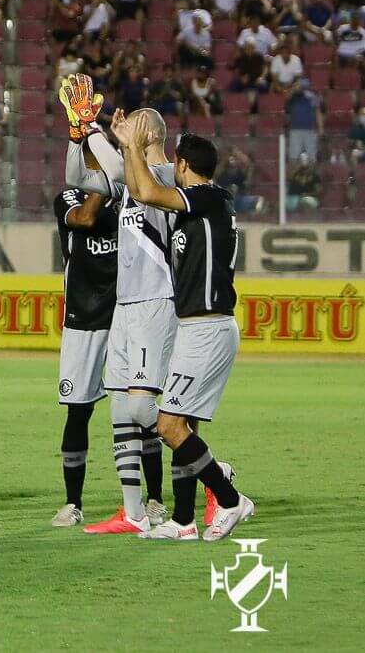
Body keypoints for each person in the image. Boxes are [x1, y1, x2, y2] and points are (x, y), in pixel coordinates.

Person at [111, 120, 252, 541]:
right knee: (182, 426)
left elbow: (148, 192)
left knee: (170, 426)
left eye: (174, 161)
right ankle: (184, 521)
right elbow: (140, 191)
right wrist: (129, 148)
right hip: (199, 327)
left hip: (206, 330)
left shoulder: (205, 198)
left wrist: (134, 145)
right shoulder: (207, 202)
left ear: (183, 164)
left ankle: (228, 495)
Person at [61, 75, 174, 536]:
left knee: (147, 412)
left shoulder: (164, 179)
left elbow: (128, 172)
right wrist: (78, 135)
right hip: (122, 307)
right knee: (120, 412)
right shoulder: (128, 183)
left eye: (133, 126)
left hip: (154, 303)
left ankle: (210, 471)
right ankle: (132, 512)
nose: (125, 128)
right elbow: (76, 177)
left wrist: (94, 128)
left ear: (149, 134)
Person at [47, 186, 118, 527]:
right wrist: (105, 187)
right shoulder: (69, 197)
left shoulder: (134, 193)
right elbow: (86, 219)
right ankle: (73, 503)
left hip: (127, 316)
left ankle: (155, 501)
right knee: (78, 412)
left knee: (140, 409)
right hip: (83, 317)